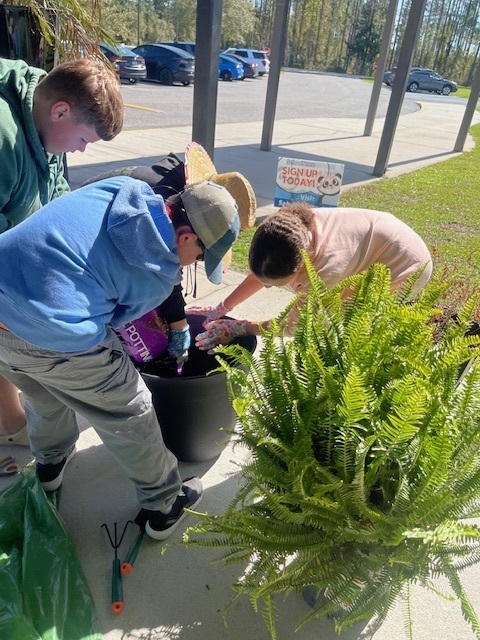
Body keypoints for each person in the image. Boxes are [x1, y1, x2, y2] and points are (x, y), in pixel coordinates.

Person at [0, 176, 240, 539]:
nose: (195, 262)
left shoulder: (119, 189)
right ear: (187, 237)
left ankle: (49, 465)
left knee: (43, 392)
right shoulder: (156, 276)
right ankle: (163, 506)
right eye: (203, 255)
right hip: (54, 334)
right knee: (131, 411)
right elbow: (121, 323)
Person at [0, 56, 124, 446]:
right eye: (84, 140)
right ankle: (10, 427)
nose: (83, 151)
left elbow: (55, 200)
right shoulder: (4, 139)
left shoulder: (46, 116)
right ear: (61, 111)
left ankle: (14, 421)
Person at [190, 202, 433, 351]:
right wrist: (222, 307)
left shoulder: (325, 272)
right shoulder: (288, 231)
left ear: (299, 270)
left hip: (406, 266)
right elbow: (264, 270)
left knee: (346, 326)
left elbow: (294, 326)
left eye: (274, 285)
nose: (267, 287)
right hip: (382, 238)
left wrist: (240, 328)